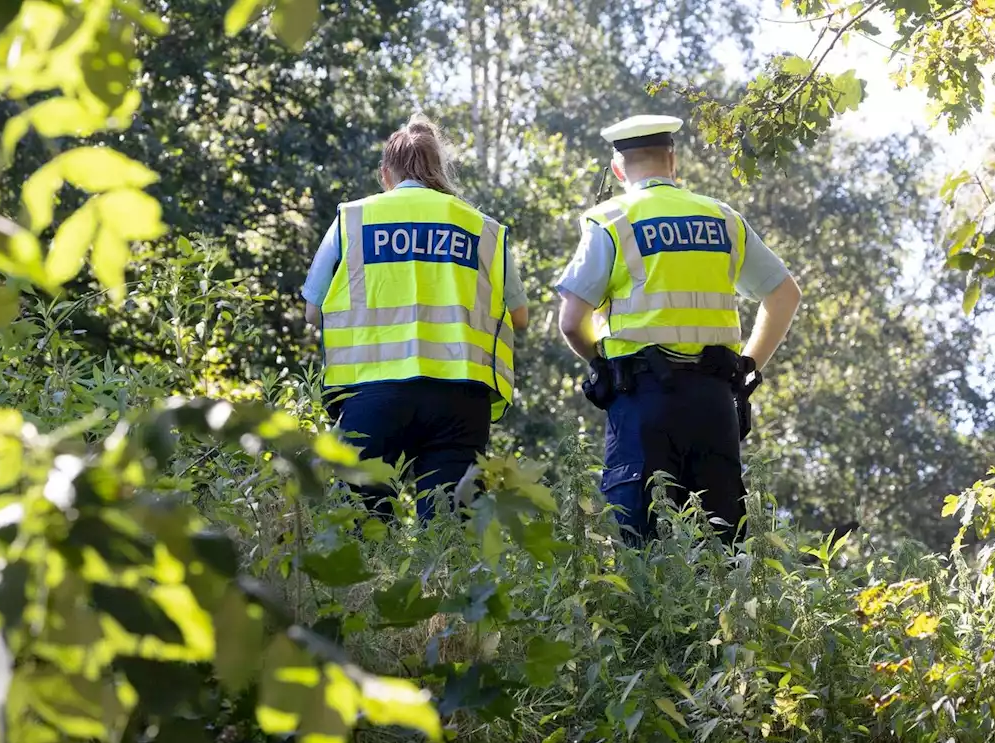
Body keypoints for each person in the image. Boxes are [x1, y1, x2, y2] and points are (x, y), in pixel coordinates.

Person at [555, 114, 802, 544]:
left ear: (618, 168)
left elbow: (571, 322)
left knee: (640, 541)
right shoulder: (722, 218)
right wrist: (747, 368)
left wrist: (602, 366)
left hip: (641, 401)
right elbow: (784, 295)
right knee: (720, 546)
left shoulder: (611, 221)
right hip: (713, 402)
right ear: (673, 160)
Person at [302, 113, 530, 522]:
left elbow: (312, 308)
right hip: (460, 396)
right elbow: (520, 316)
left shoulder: (353, 218)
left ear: (385, 173)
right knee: (449, 533)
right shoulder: (484, 229)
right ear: (438, 170)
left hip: (371, 392)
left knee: (362, 528)